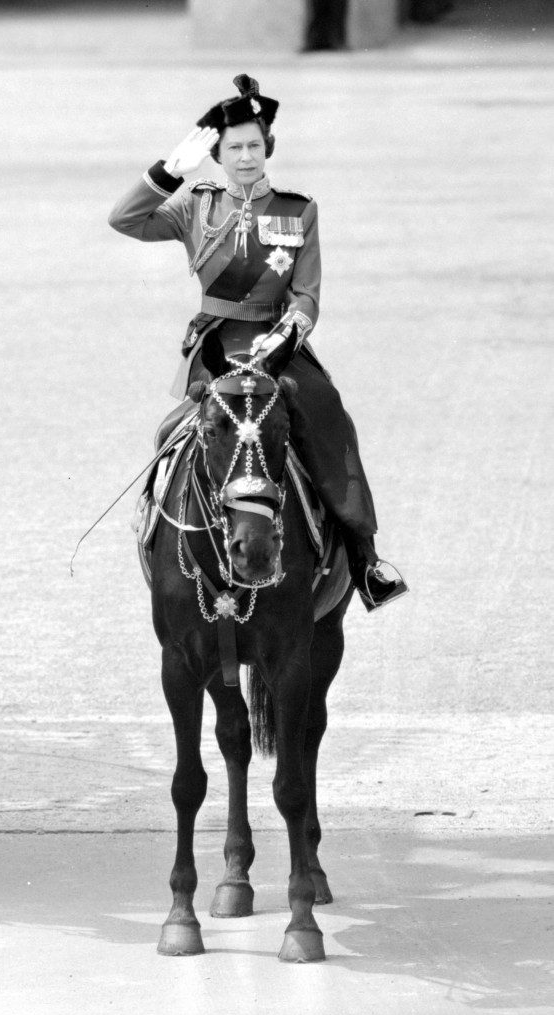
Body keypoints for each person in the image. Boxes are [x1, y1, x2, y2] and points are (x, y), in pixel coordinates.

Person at [108, 73, 407, 611]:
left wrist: (287, 334)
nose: (245, 157)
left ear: (267, 149)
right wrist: (165, 174)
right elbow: (124, 220)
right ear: (217, 155)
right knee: (172, 434)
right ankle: (155, 534)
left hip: (280, 347)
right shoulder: (193, 207)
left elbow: (307, 296)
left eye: (253, 146)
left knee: (331, 425)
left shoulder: (299, 210)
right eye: (233, 148)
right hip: (217, 348)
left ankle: (365, 557)